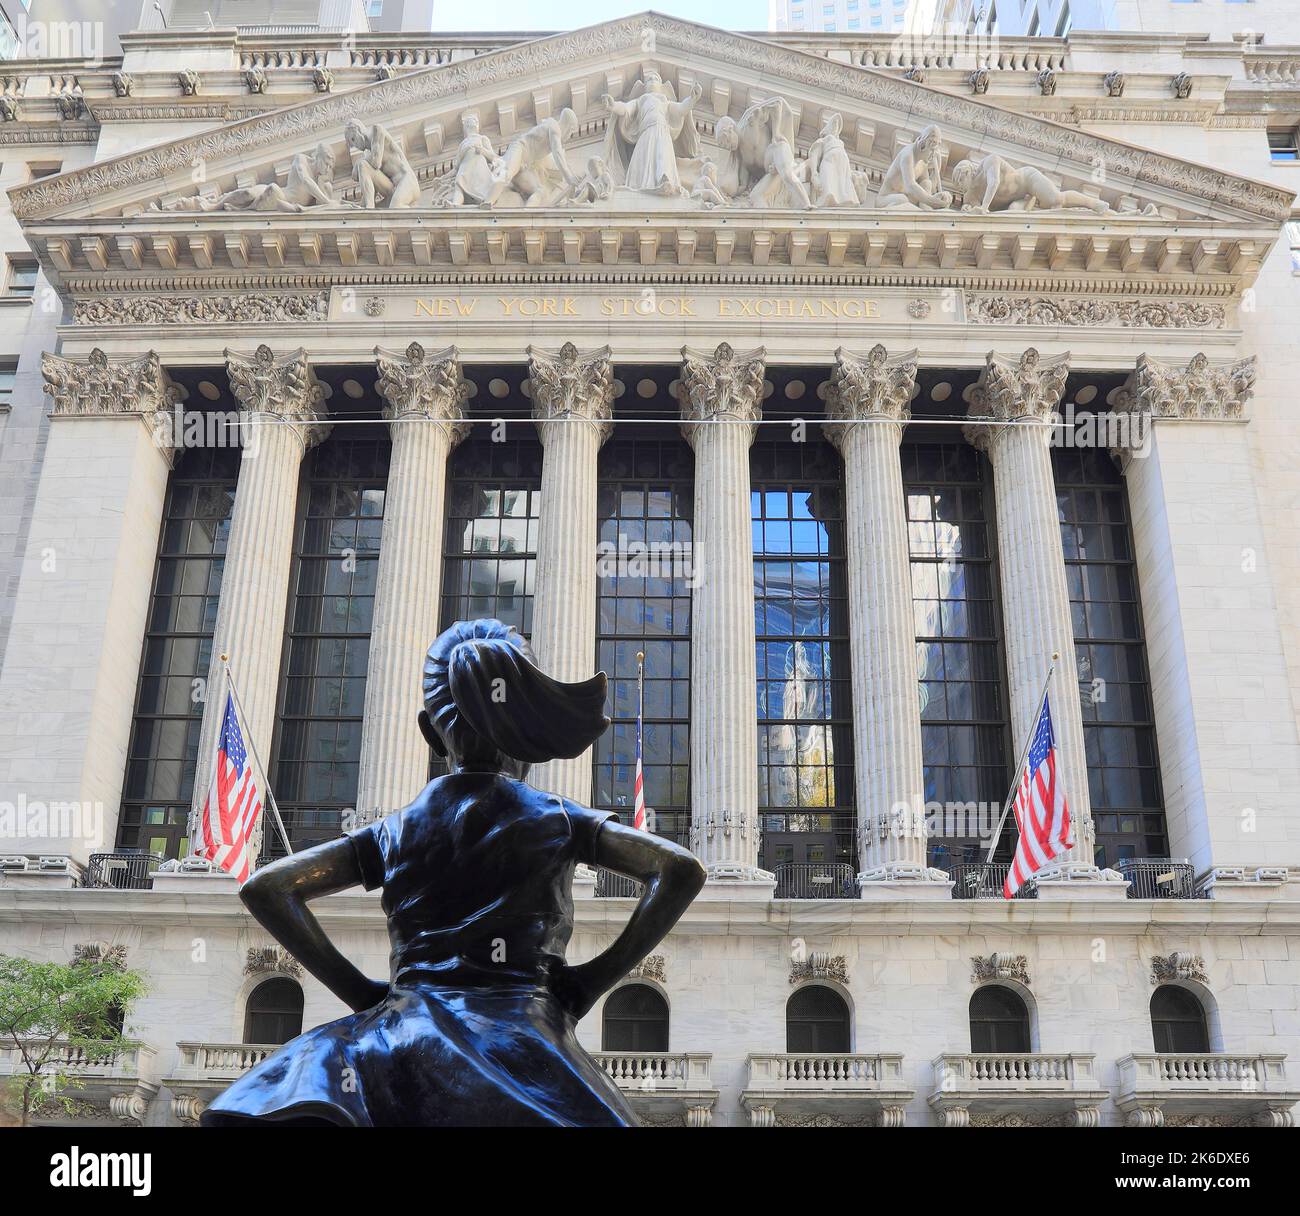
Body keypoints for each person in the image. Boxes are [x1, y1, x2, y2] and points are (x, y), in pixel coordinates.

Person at [202, 619, 704, 1127]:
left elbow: (269, 886)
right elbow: (678, 868)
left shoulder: (394, 830)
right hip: (522, 1039)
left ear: (429, 732)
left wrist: (365, 995)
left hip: (401, 1036)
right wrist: (588, 984)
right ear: (524, 734)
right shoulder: (556, 818)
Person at [950, 152, 1111, 214]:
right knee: (1014, 213)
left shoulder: (989, 162)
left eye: (960, 182)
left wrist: (984, 207)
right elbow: (975, 215)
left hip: (1027, 181)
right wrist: (968, 208)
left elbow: (994, 182)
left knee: (1056, 200)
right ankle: (1028, 203)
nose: (961, 188)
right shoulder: (971, 194)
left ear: (967, 172)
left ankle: (1093, 203)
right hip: (1017, 201)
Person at [345, 118, 422, 209]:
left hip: (407, 181)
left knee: (395, 207)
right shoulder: (368, 154)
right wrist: (361, 206)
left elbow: (376, 162)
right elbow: (371, 187)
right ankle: (369, 209)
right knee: (363, 166)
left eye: (353, 139)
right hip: (393, 189)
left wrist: (357, 164)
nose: (355, 146)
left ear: (358, 130)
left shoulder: (376, 131)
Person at [876, 124, 952, 211]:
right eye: (932, 150)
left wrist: (936, 198)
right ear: (923, 145)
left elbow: (926, 187)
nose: (933, 155)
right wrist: (933, 202)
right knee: (902, 199)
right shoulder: (908, 155)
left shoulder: (923, 161)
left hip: (907, 198)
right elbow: (910, 186)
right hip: (885, 200)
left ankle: (928, 214)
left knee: (927, 183)